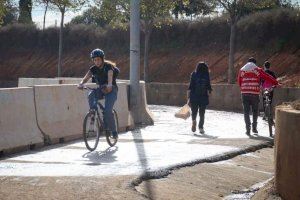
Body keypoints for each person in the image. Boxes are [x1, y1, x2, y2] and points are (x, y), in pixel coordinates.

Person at [77, 48, 120, 139]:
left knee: (108, 111)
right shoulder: (93, 69)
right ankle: (93, 111)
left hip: (111, 90)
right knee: (91, 94)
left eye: (98, 59)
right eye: (95, 60)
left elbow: (110, 76)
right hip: (101, 89)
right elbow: (86, 78)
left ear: (102, 59)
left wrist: (109, 85)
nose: (96, 62)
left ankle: (114, 131)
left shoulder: (108, 67)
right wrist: (81, 84)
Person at [237, 57, 278, 136]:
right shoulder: (258, 69)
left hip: (244, 93)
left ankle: (247, 129)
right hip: (254, 93)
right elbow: (267, 76)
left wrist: (245, 87)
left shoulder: (241, 70)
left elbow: (239, 82)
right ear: (255, 63)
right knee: (255, 111)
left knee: (246, 112)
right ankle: (254, 128)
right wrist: (276, 82)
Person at [187, 62, 212, 134]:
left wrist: (188, 96)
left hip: (194, 96)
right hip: (203, 97)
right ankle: (201, 127)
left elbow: (191, 86)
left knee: (194, 111)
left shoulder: (193, 74)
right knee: (202, 113)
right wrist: (210, 91)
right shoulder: (206, 75)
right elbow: (208, 85)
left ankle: (194, 120)